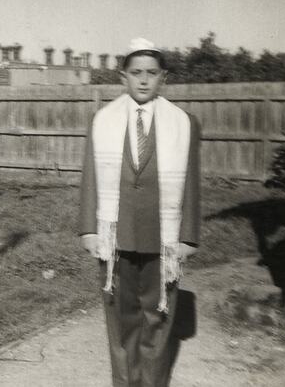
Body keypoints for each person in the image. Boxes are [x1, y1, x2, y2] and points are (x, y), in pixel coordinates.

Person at [79, 37, 201, 387]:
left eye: (151, 73)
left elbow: (192, 180)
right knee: (120, 318)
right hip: (116, 235)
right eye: (136, 73)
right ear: (123, 77)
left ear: (164, 77)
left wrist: (189, 235)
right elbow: (90, 176)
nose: (144, 80)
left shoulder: (183, 123)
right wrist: (89, 229)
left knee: (158, 317)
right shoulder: (103, 120)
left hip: (161, 236)